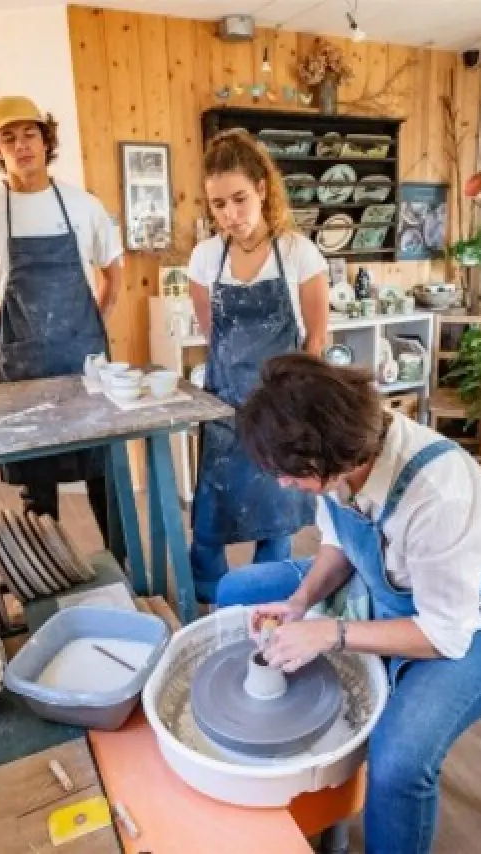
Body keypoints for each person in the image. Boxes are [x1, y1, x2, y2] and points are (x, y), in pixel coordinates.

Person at [217, 354, 481, 854]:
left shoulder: (438, 494)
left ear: (329, 453)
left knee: (398, 763)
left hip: (480, 626)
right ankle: (282, 791)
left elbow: (443, 633)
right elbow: (342, 544)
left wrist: (333, 633)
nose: (282, 484)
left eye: (289, 472)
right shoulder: (343, 458)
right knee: (236, 592)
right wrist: (300, 604)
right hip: (383, 583)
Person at [0, 96, 122, 542]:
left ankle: (124, 574)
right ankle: (48, 580)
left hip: (82, 360)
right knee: (37, 482)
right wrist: (5, 330)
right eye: (7, 137)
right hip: (22, 366)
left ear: (45, 139)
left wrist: (95, 319)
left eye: (29, 133)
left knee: (100, 472)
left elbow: (112, 270)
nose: (21, 145)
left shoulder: (83, 204)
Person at [187, 130, 329, 604]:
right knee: (210, 521)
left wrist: (296, 407)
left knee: (277, 519)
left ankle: (266, 602)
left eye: (239, 199)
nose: (230, 215)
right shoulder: (206, 257)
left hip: (282, 412)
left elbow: (315, 341)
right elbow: (214, 335)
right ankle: (210, 601)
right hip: (225, 407)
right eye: (218, 204)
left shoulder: (299, 254)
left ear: (263, 189)